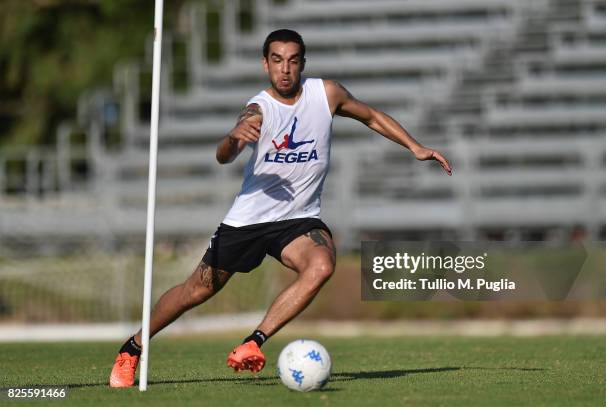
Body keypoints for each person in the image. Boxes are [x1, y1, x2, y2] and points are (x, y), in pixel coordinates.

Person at [109, 28, 452, 388]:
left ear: (303, 63)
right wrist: (233, 137)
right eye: (277, 61)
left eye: (292, 61)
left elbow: (371, 116)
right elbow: (224, 156)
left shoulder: (326, 93)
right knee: (197, 290)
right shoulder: (258, 109)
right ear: (265, 64)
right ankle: (132, 347)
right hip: (248, 222)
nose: (285, 69)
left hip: (298, 220)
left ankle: (253, 343)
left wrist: (414, 146)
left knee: (321, 265)